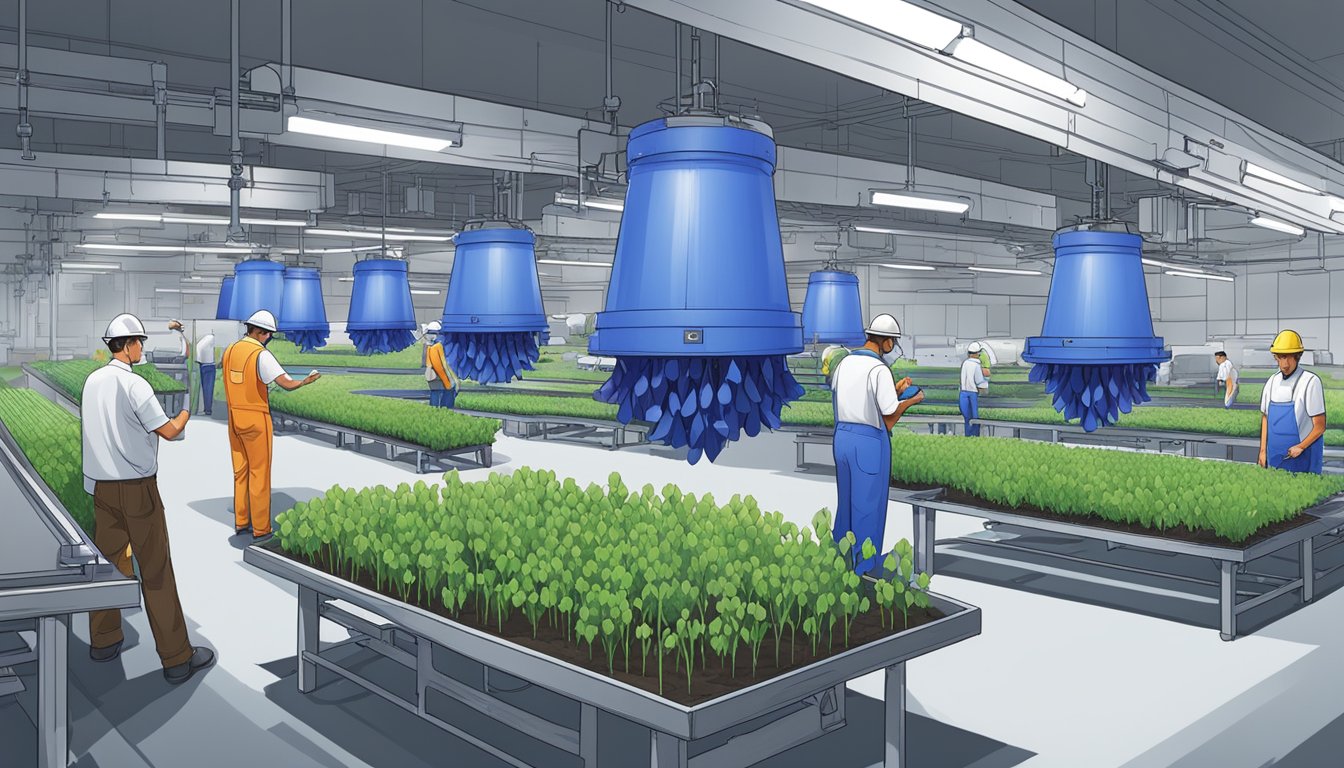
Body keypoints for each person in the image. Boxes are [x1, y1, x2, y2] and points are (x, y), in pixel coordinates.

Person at [81, 313, 215, 684]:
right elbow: (169, 431)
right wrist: (187, 411)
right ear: (128, 345)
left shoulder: (93, 382)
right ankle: (176, 658)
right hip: (137, 490)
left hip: (102, 489)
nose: (142, 347)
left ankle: (104, 640)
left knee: (108, 566)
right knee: (155, 570)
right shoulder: (134, 385)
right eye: (139, 341)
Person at [830, 313, 924, 575]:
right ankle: (865, 572)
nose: (893, 347)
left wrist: (893, 389)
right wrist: (912, 399)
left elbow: (859, 398)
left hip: (842, 439)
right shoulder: (879, 369)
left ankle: (840, 565)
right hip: (868, 442)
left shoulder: (845, 364)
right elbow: (889, 414)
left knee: (846, 506)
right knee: (867, 509)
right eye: (893, 342)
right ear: (887, 342)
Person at [222, 310, 321, 543]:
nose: (268, 338)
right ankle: (261, 529)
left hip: (234, 418)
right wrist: (305, 381)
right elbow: (285, 383)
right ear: (261, 332)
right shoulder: (260, 354)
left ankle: (241, 522)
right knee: (260, 473)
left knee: (241, 472)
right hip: (256, 419)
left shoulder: (230, 351)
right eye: (268, 334)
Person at [1258, 330, 1326, 475]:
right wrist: (1263, 452)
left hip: (1303, 457)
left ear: (1298, 356)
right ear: (1275, 357)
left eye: (1289, 357)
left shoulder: (1310, 382)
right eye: (1281, 358)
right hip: (1275, 457)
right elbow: (1265, 418)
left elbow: (1320, 426)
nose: (1285, 364)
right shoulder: (1271, 382)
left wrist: (1301, 447)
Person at [422, 321, 459, 408]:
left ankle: (435, 412)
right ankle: (445, 411)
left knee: (435, 393)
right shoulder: (439, 345)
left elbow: (426, 362)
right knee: (447, 393)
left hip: (432, 375)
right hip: (441, 374)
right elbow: (444, 363)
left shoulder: (428, 345)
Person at [959, 342, 990, 437]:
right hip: (972, 393)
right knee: (975, 417)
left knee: (967, 418)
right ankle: (975, 436)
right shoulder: (976, 365)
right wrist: (986, 383)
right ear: (977, 354)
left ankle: (968, 436)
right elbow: (979, 380)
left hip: (963, 393)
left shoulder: (965, 363)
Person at [196, 329, 217, 415]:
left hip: (202, 364)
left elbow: (199, 349)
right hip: (210, 365)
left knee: (205, 389)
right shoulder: (211, 338)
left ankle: (206, 409)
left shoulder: (204, 340)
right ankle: (208, 409)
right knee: (209, 389)